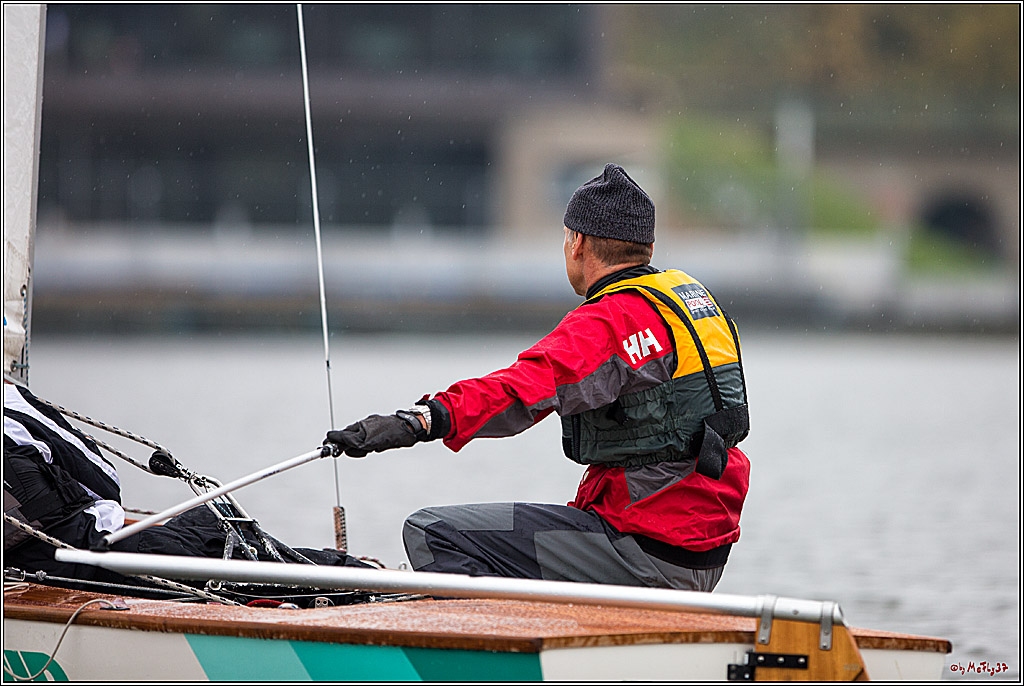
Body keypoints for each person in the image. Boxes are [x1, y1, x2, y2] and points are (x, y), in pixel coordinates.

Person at [325, 163, 750, 591]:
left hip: (648, 548)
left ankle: (498, 649)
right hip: (702, 550)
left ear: (577, 242)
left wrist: (421, 420)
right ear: (649, 246)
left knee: (431, 531)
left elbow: (522, 388)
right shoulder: (690, 300)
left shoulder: (610, 321)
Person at [4, 381, 368, 584]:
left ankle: (355, 576)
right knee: (216, 534)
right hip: (98, 555)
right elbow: (105, 482)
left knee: (214, 532)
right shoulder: (11, 409)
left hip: (46, 565)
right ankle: (364, 580)